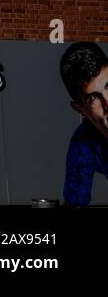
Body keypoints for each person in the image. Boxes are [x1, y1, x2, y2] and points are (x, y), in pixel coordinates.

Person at [60, 41, 108, 206]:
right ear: (80, 109)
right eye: (93, 98)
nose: (107, 102)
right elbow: (75, 204)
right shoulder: (84, 142)